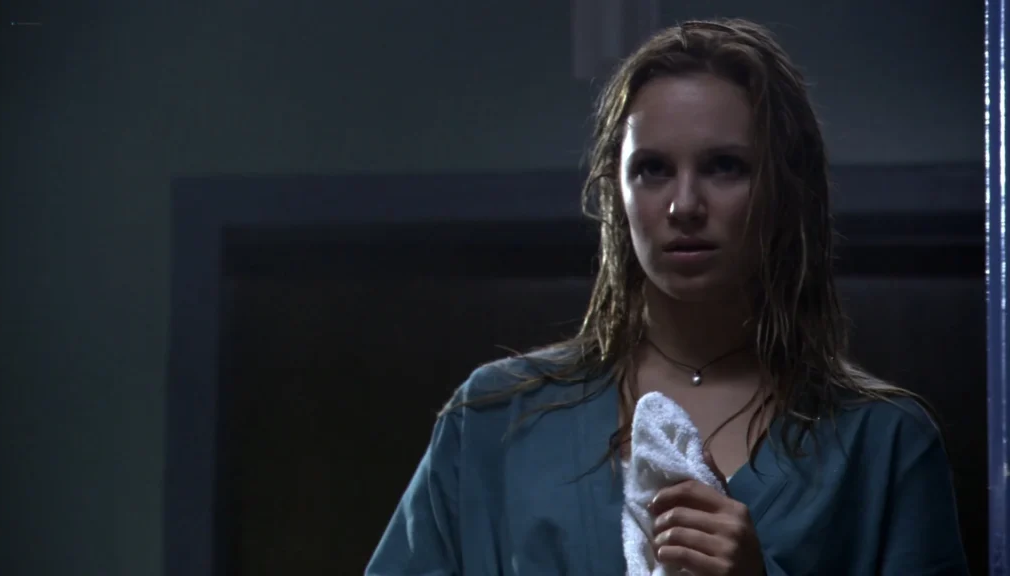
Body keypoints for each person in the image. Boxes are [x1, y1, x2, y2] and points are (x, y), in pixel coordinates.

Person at [365, 18, 970, 575]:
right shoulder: (495, 420)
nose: (684, 206)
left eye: (725, 166)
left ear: (784, 188)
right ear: (617, 191)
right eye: (652, 169)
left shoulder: (882, 444)